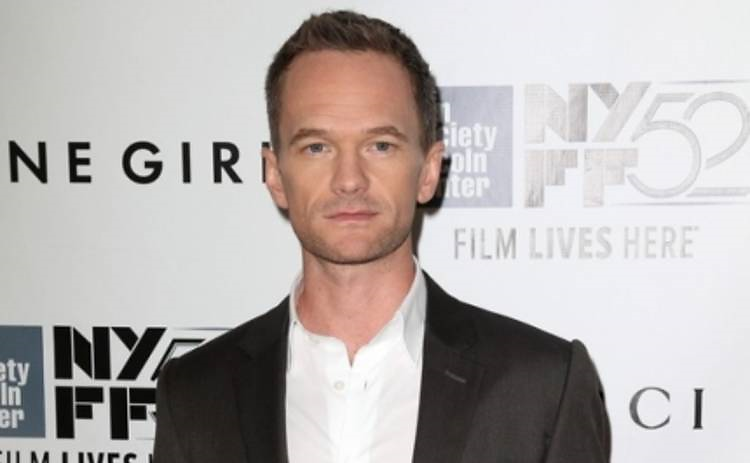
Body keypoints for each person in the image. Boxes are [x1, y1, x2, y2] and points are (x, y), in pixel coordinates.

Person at [153, 10, 610, 463]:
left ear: (428, 171)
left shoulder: (543, 387)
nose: (349, 179)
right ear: (274, 175)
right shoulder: (195, 394)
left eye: (380, 146)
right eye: (317, 147)